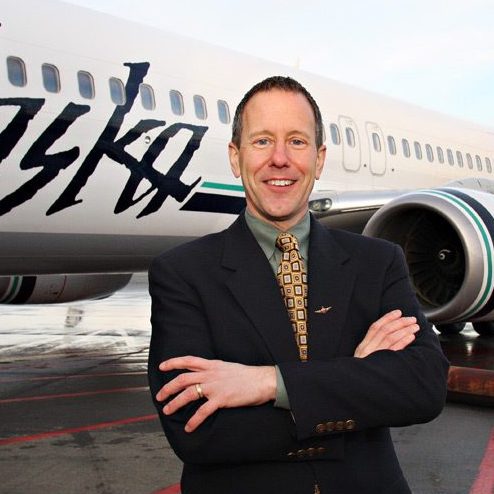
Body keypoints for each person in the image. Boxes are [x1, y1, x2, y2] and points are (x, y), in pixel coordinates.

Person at [148, 76, 449, 494]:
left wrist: (269, 383)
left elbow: (424, 387)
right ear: (235, 158)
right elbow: (196, 432)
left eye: (297, 141)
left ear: (320, 159)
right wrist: (359, 379)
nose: (279, 159)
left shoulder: (378, 261)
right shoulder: (181, 273)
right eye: (261, 142)